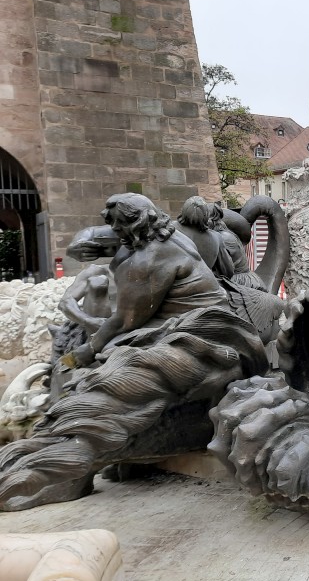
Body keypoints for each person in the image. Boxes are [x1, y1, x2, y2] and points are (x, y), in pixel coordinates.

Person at [0, 193, 266, 510]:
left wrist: (87, 349)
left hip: (204, 339)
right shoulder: (169, 238)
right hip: (198, 331)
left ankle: (62, 462)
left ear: (135, 223)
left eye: (117, 224)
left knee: (113, 376)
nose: (114, 231)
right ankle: (67, 446)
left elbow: (124, 320)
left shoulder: (151, 259)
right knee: (106, 365)